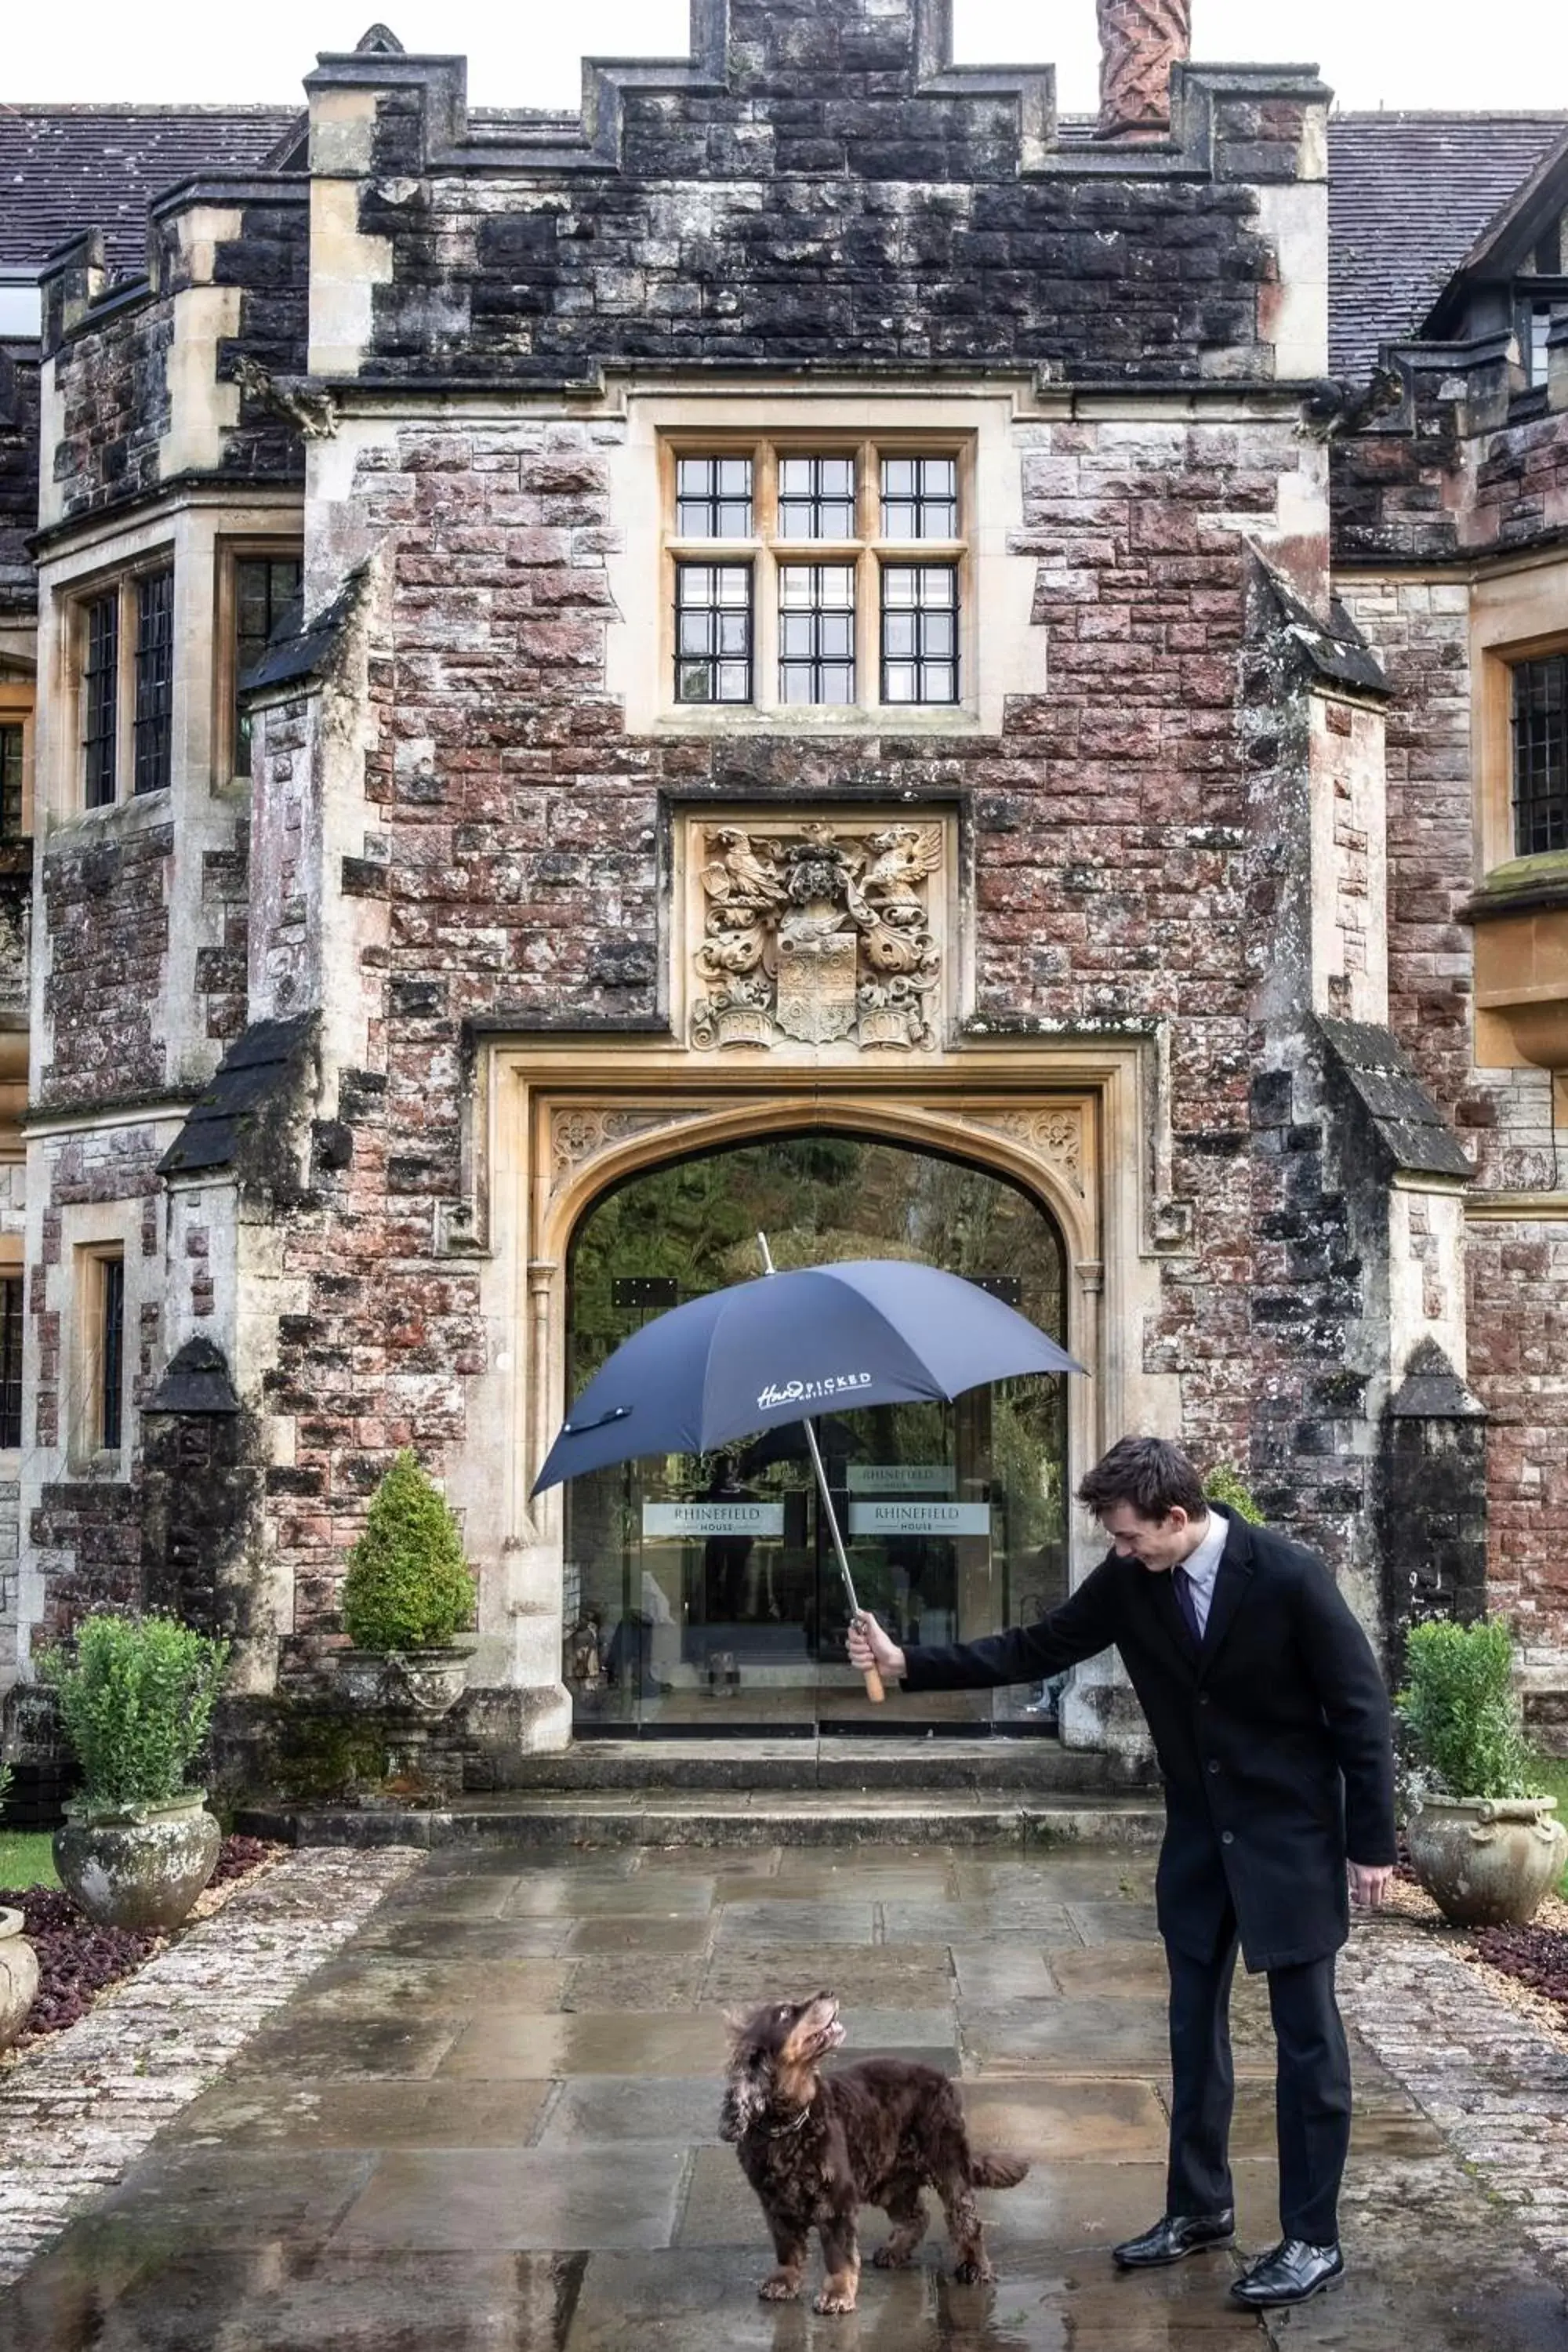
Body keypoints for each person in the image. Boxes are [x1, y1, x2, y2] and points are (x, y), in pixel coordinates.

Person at [848, 1435, 1396, 2313]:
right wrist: (908, 1662)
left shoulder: (1290, 1577)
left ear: (1175, 1519)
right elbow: (1038, 1646)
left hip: (1288, 1843)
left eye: (1129, 1534)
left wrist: (1370, 1844)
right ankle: (1197, 2207)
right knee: (1191, 2033)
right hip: (1194, 1845)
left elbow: (1359, 1712)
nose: (1120, 1549)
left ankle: (1311, 2238)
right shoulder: (1131, 1581)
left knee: (1307, 2047)